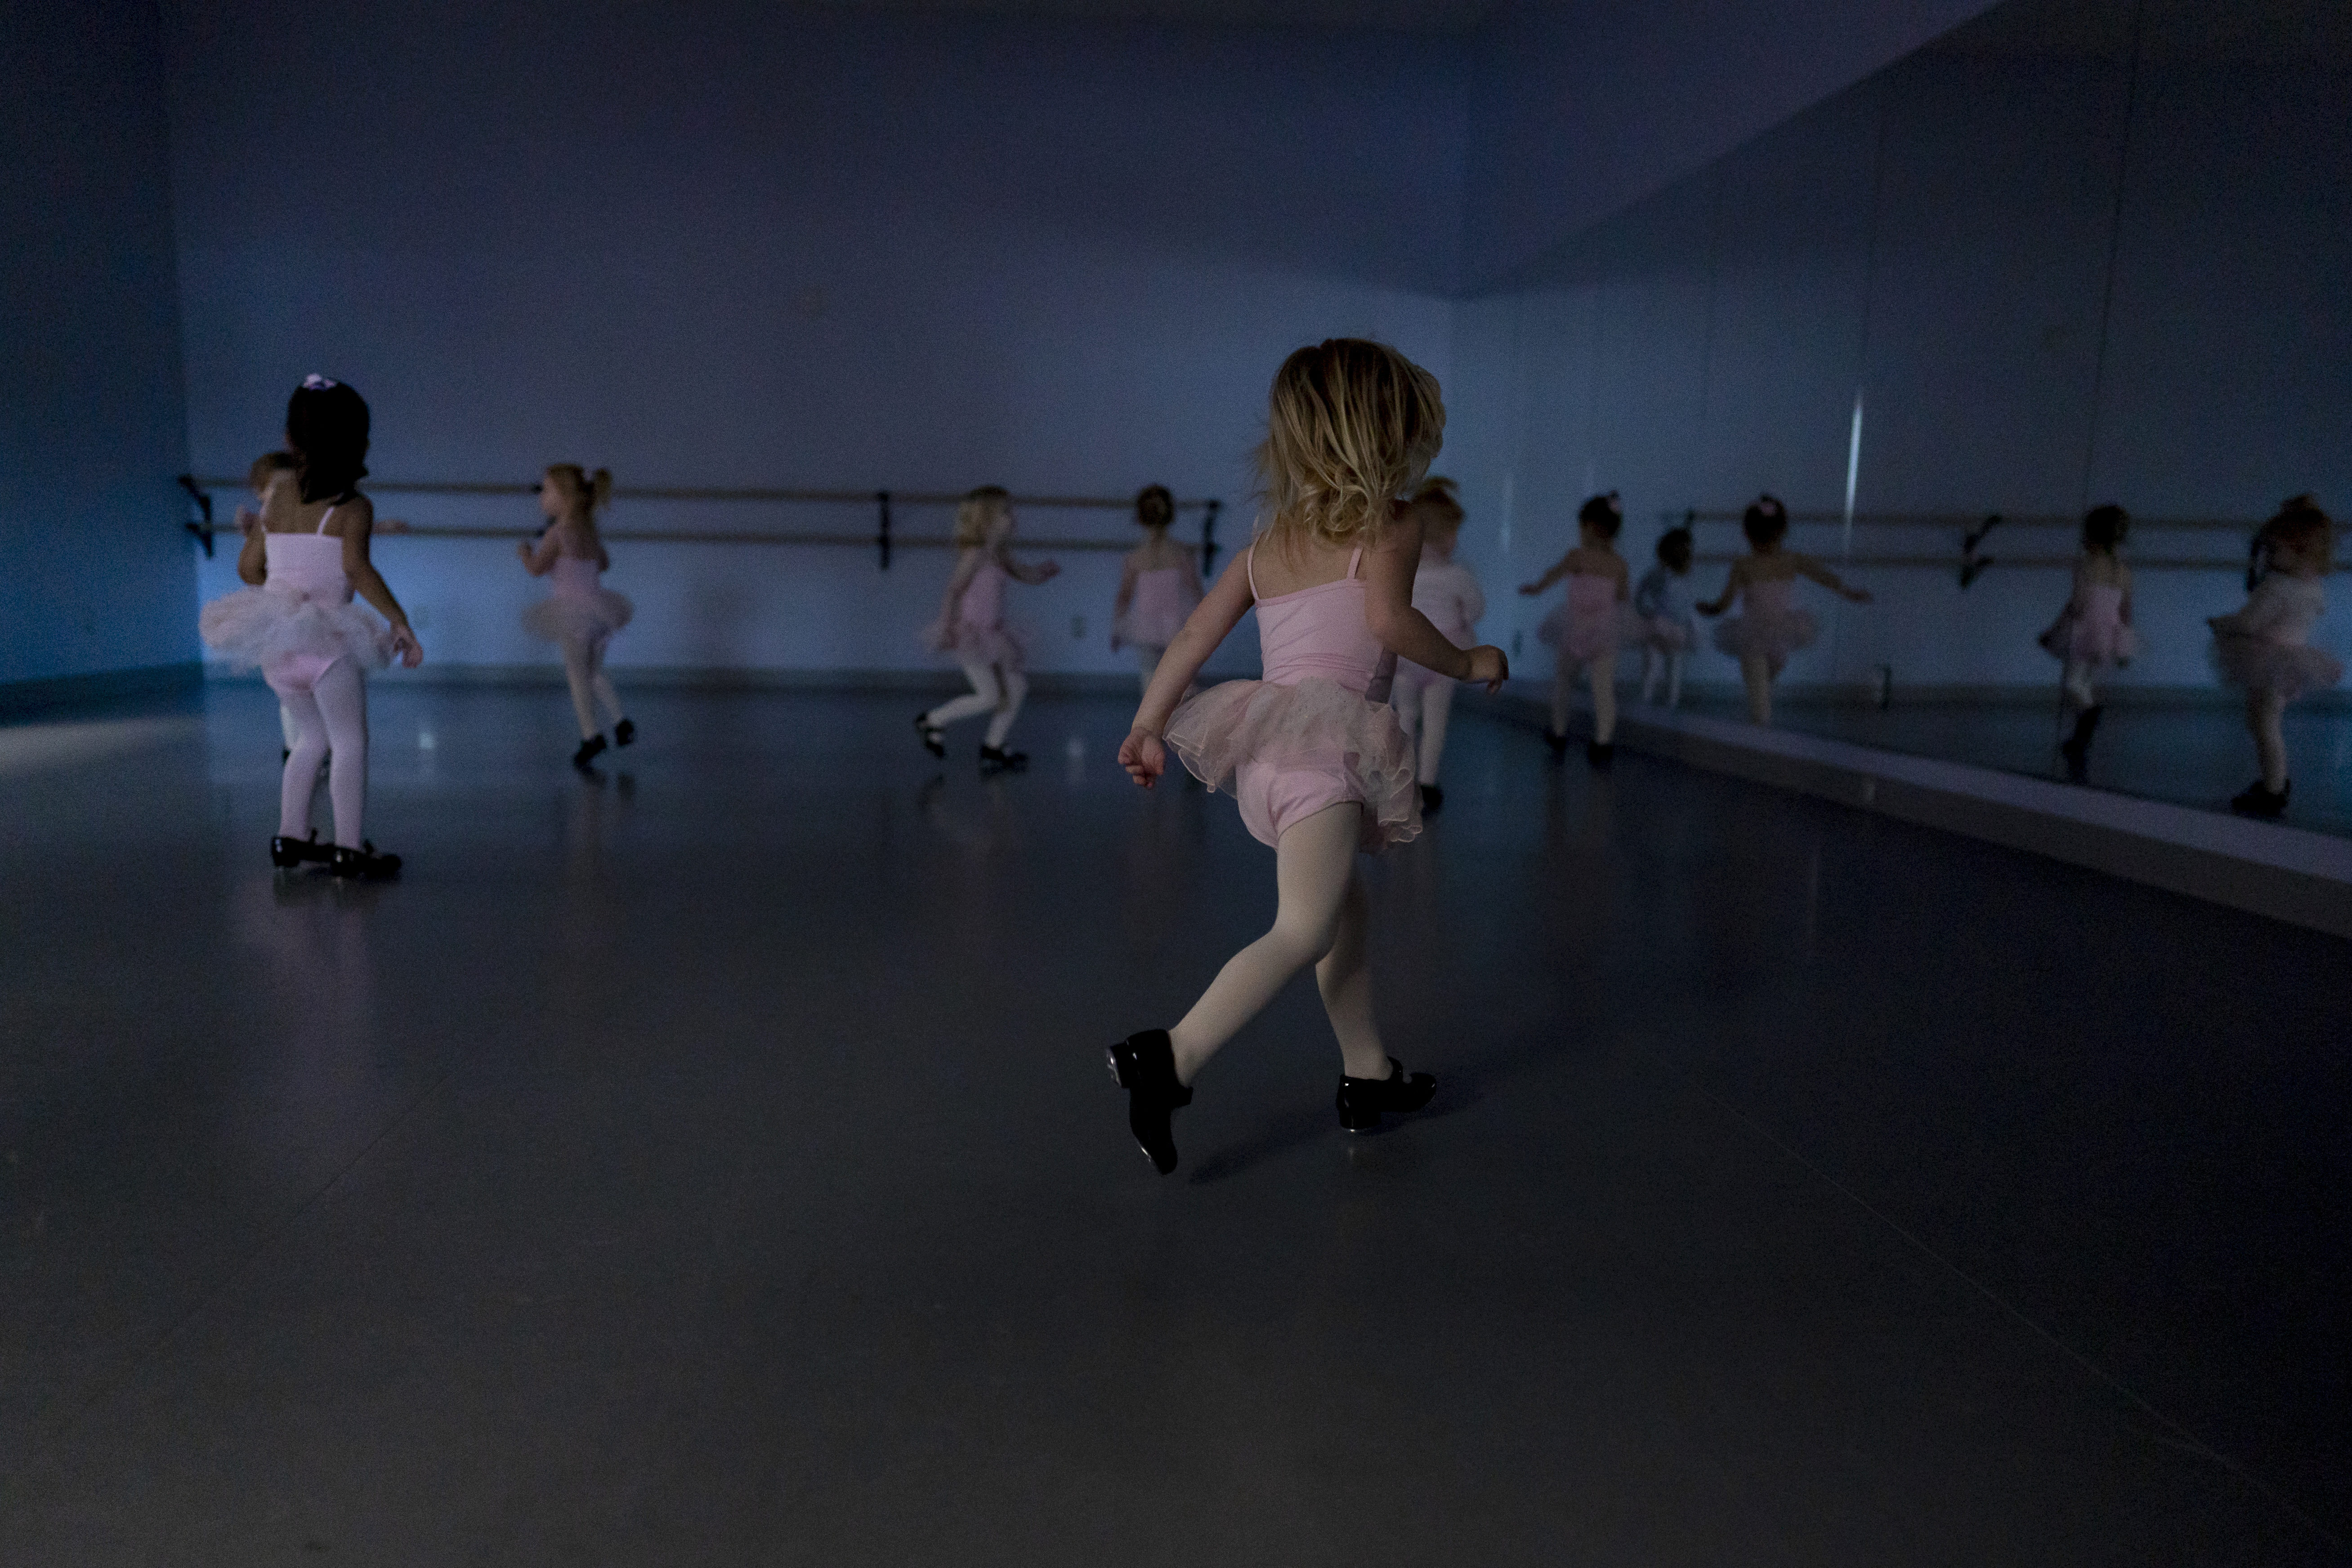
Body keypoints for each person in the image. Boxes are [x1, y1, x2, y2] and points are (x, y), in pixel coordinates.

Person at [1107, 340, 1507, 1175]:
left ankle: (1367, 1075)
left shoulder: (1269, 541)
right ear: (1387, 436)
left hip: (1268, 754)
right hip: (1329, 751)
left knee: (1343, 916)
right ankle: (1170, 1058)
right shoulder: (1393, 523)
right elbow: (1394, 625)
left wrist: (1150, 725)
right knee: (1306, 926)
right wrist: (1470, 662)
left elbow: (1192, 635)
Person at [199, 375, 422, 878]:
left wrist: (284, 597)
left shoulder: (276, 498)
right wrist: (399, 620)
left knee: (309, 740)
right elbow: (360, 572)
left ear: (289, 439)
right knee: (349, 742)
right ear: (358, 443)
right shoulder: (354, 508)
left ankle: (291, 837)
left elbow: (248, 570)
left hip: (278, 646)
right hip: (328, 645)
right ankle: (347, 847)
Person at [2209, 496, 2340, 818]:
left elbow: (2248, 623)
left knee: (2264, 723)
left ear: (2300, 550)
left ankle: (2273, 788)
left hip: (2269, 659)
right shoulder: (2314, 587)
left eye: (2275, 549)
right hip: (2293, 658)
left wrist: (2221, 624)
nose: (2269, 557)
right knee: (2264, 720)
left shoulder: (2277, 587)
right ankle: (2274, 779)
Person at [916, 486, 1060, 773]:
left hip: (994, 634)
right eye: (1006, 512)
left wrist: (1041, 573)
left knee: (1017, 687)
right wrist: (947, 627)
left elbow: (1024, 574)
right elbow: (953, 593)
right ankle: (932, 720)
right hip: (972, 634)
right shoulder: (975, 555)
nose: (1013, 516)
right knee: (989, 695)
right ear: (986, 521)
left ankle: (993, 747)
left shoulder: (999, 555)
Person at [1697, 494, 1871, 726]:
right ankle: (1759, 732)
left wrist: (1848, 592)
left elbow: (1822, 576)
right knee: (1760, 702)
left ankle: (1758, 728)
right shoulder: (1746, 565)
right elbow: (1726, 601)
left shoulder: (1789, 561)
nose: (1767, 543)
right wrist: (1712, 609)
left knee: (1765, 686)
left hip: (1778, 635)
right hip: (1753, 636)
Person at [519, 464, 637, 770]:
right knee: (594, 672)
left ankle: (591, 736)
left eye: (546, 490)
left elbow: (537, 569)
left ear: (564, 497)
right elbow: (605, 563)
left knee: (577, 676)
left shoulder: (557, 533)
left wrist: (524, 553)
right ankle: (621, 721)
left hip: (572, 614)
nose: (542, 497)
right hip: (600, 610)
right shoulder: (588, 532)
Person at [1390, 476, 1485, 812]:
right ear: (1450, 536)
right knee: (1435, 724)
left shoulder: (1401, 570)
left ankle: (1400, 783)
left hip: (1406, 655)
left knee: (1404, 718)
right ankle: (1427, 784)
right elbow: (1476, 608)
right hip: (1443, 657)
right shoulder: (1459, 575)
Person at [1520, 491, 1631, 765]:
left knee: (1565, 684)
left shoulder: (1579, 557)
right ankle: (1602, 741)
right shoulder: (1618, 564)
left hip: (1581, 627)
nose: (1580, 533)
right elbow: (1623, 598)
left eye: (1582, 527)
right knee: (1601, 689)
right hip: (1598, 629)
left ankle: (1560, 732)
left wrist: (1537, 588)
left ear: (1593, 528)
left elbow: (1553, 575)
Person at [2036, 504, 2137, 782]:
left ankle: (2088, 721)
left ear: (2091, 534)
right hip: (2106, 632)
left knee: (2073, 684)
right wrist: (2123, 641)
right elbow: (2126, 610)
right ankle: (2081, 735)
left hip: (2084, 631)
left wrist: (2054, 630)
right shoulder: (2123, 570)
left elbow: (2078, 605)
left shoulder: (2087, 566)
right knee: (2084, 682)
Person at [1110, 484, 1203, 695]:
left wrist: (1117, 628)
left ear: (1140, 518)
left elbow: (1124, 597)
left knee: (1150, 679)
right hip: (1178, 623)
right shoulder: (1181, 554)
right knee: (1183, 680)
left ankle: (1151, 724)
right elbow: (1197, 593)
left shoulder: (1135, 558)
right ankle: (1184, 722)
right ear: (1171, 515)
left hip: (1145, 625)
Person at [1632, 526, 1697, 708]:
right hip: (1662, 626)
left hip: (1672, 627)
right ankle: (1658, 701)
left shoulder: (1682, 576)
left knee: (1664, 667)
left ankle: (1662, 701)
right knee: (1662, 667)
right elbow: (1640, 596)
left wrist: (1645, 611)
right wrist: (1645, 612)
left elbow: (1640, 596)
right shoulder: (1661, 575)